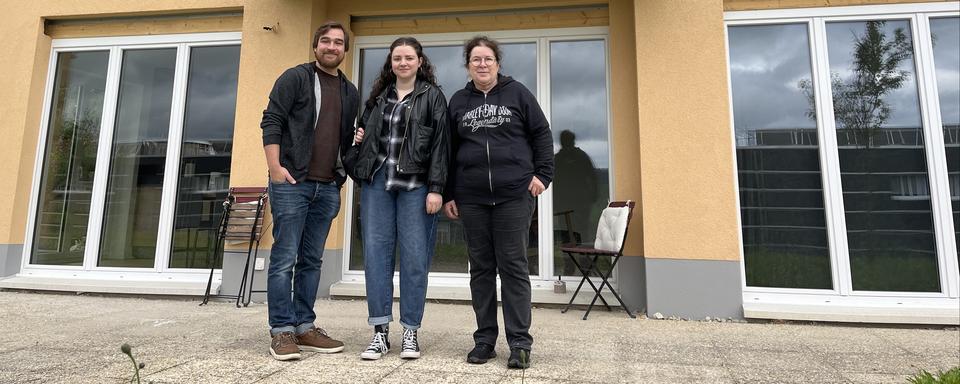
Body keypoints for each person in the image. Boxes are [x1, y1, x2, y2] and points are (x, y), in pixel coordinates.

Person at [443, 36, 553, 369]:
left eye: (488, 58)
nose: (482, 64)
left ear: (497, 63)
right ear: (468, 65)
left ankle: (519, 343)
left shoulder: (518, 93)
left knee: (513, 267)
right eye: (475, 59)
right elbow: (448, 150)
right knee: (481, 270)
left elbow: (542, 134)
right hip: (473, 198)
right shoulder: (459, 101)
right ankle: (485, 341)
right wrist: (449, 192)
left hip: (513, 196)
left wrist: (542, 175)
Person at [259, 21, 359, 361]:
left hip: (328, 186)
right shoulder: (295, 77)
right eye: (326, 41)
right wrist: (275, 167)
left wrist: (344, 165)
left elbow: (344, 139)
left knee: (312, 260)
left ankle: (304, 327)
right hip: (292, 183)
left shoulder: (350, 91)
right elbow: (271, 120)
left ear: (345, 50)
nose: (332, 47)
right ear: (315, 45)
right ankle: (281, 331)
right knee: (284, 258)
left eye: (338, 43)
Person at [344, 37, 448, 361]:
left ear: (420, 61)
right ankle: (379, 333)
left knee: (415, 261)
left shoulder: (432, 97)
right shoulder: (378, 98)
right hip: (377, 186)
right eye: (397, 58)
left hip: (416, 188)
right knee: (376, 260)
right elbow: (364, 136)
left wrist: (437, 188)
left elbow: (441, 146)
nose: (402, 63)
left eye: (408, 57)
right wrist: (358, 140)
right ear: (391, 62)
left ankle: (411, 332)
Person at [553, 130, 598, 275]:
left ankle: (583, 266)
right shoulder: (559, 159)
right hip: (563, 204)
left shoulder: (579, 157)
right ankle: (571, 267)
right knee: (569, 235)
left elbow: (592, 177)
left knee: (580, 234)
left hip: (580, 203)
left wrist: (593, 196)